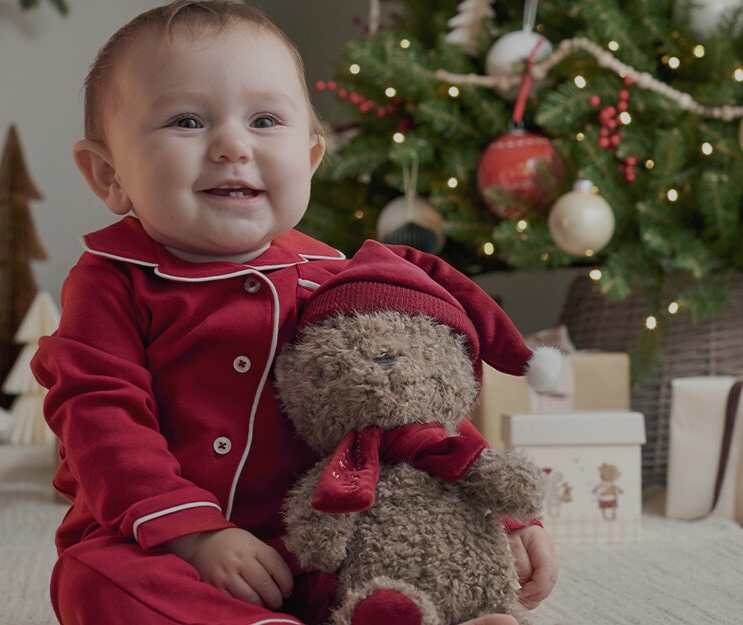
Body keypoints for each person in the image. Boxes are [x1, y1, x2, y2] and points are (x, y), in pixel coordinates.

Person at [31, 2, 559, 624]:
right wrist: (194, 535)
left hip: (319, 536)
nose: (232, 144)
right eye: (187, 120)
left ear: (309, 160)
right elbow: (99, 415)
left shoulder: (339, 281)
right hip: (161, 539)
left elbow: (411, 404)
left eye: (264, 119)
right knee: (95, 580)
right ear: (108, 173)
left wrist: (504, 512)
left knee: (400, 562)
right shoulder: (110, 281)